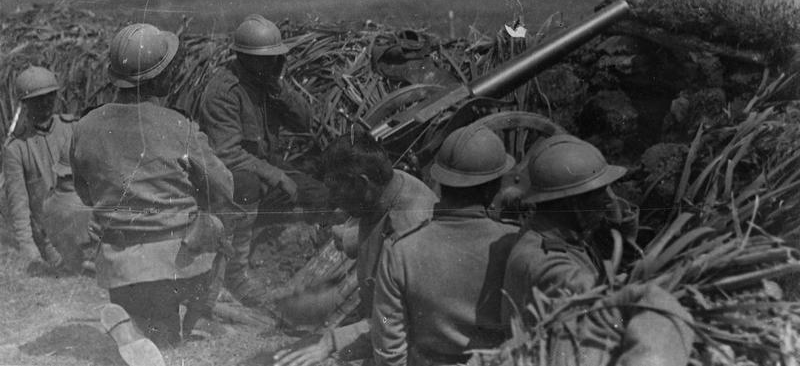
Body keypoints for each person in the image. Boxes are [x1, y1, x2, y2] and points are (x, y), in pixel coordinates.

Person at [71, 23, 236, 349]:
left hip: (120, 265)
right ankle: (193, 319)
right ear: (160, 79)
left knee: (150, 325)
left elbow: (84, 191)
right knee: (220, 226)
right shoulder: (179, 126)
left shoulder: (84, 127)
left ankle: (136, 325)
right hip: (176, 263)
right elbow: (224, 186)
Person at [502, 134, 694, 366]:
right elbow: (603, 296)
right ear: (571, 202)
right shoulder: (547, 261)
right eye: (599, 192)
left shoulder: (553, 232)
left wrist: (619, 228)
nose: (609, 200)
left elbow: (610, 266)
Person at [273, 129, 438, 366]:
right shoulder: (387, 185)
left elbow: (398, 322)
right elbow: (376, 223)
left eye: (335, 190)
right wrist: (350, 238)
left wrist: (333, 342)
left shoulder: (409, 230)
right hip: (384, 327)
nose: (333, 199)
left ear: (361, 183)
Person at [371, 125, 519, 366]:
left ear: (440, 181)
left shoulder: (400, 250)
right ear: (493, 188)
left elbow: (388, 342)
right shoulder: (514, 244)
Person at [198, 14, 313, 307]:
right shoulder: (224, 91)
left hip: (259, 166)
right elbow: (226, 153)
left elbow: (305, 123)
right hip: (226, 177)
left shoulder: (267, 84)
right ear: (244, 57)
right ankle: (234, 274)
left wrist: (280, 87)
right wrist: (276, 175)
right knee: (246, 183)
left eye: (274, 58)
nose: (271, 63)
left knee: (317, 192)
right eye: (265, 59)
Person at [3, 66, 74, 269]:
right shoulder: (16, 148)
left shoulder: (72, 128)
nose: (45, 103)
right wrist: (30, 253)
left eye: (50, 96)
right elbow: (19, 206)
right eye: (37, 99)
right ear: (25, 104)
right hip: (49, 239)